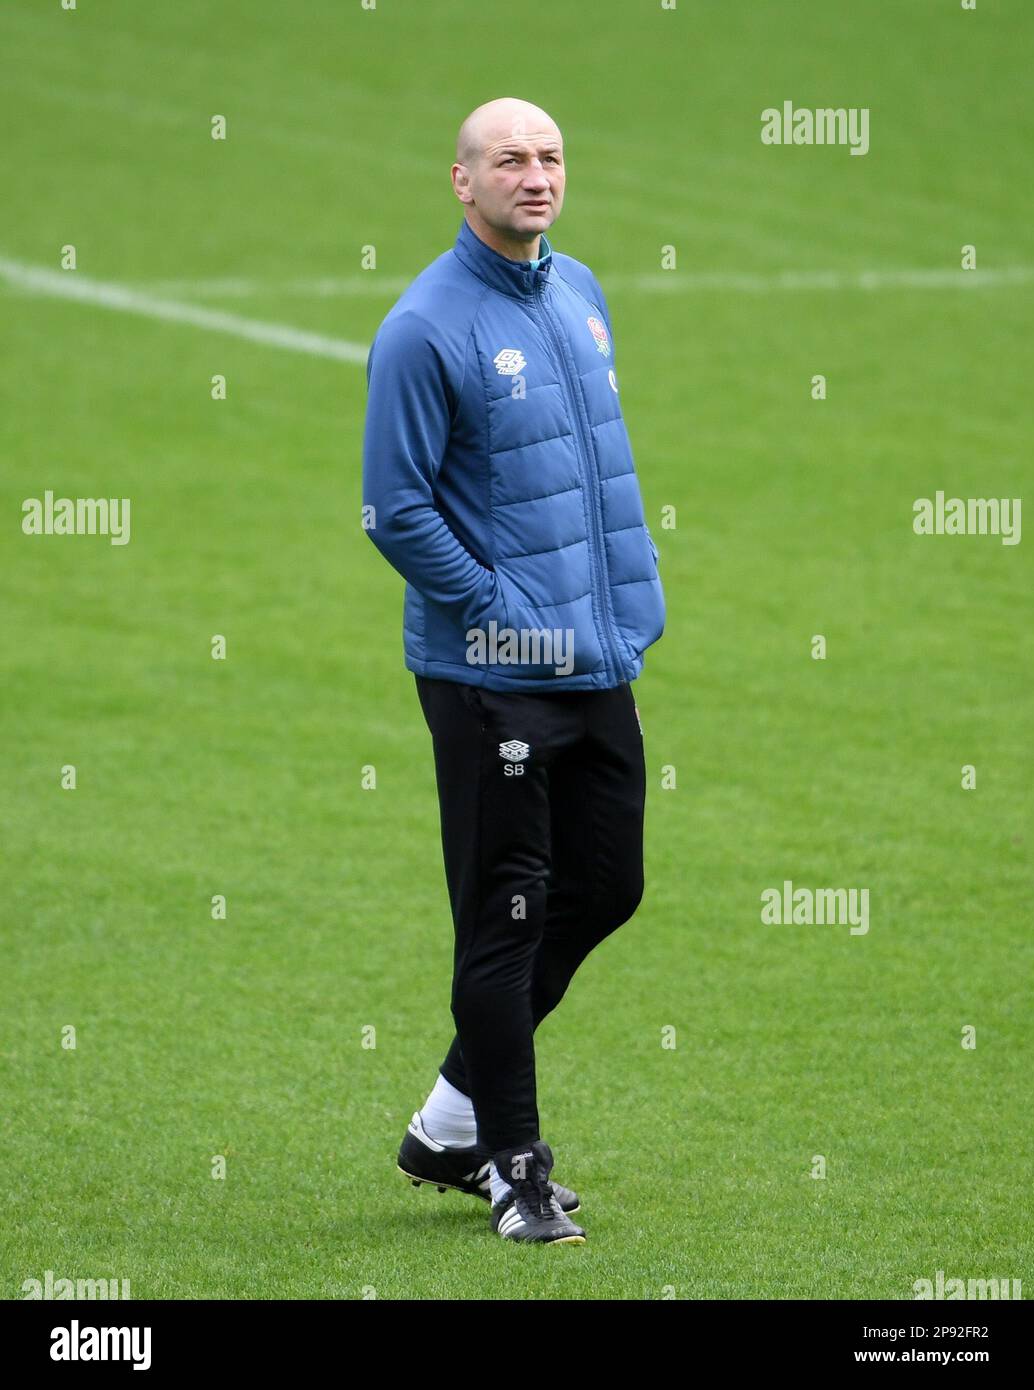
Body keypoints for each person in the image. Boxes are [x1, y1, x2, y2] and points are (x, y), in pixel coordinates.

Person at [362, 97, 665, 1244]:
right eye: (508, 161)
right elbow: (394, 510)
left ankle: (449, 1115)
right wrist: (504, 615)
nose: (533, 176)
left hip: (594, 655)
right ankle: (514, 1168)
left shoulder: (578, 292)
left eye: (548, 157)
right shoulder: (422, 327)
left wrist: (602, 613)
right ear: (460, 182)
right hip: (491, 669)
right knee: (508, 911)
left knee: (607, 883)